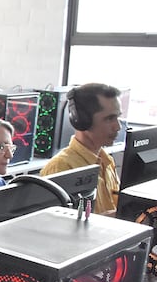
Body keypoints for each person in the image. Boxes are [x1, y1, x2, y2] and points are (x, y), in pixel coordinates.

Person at [40, 83, 122, 215]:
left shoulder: (107, 161)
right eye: (109, 119)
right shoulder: (61, 168)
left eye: (117, 117)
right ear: (83, 121)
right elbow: (56, 228)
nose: (117, 126)